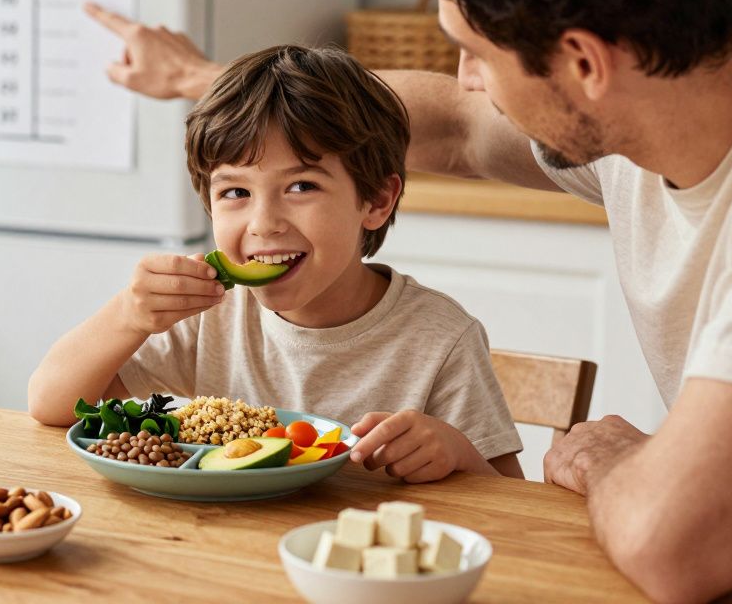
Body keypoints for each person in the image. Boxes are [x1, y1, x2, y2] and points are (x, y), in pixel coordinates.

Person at [81, 0, 732, 601]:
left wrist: (612, 461)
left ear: (584, 62)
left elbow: (682, 548)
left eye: (475, 53)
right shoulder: (666, 88)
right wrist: (213, 83)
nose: (467, 79)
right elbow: (450, 124)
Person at [28, 44, 525, 482]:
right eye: (236, 192)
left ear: (376, 200)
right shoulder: (210, 312)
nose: (264, 223)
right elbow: (51, 403)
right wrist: (128, 316)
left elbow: (512, 503)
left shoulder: (441, 338)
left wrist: (457, 453)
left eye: (301, 186)